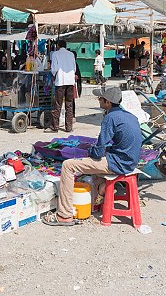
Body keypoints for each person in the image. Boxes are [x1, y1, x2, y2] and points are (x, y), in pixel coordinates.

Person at [42, 87, 143, 226]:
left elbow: (98, 151)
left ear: (107, 102)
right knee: (93, 164)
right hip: (130, 161)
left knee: (68, 166)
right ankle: (101, 191)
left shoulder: (110, 118)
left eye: (100, 98)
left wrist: (90, 151)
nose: (98, 100)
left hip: (119, 163)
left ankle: (64, 215)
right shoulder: (130, 115)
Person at [50, 40, 76, 133]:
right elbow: (74, 68)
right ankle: (69, 127)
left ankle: (55, 126)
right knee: (69, 104)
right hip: (70, 81)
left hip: (60, 81)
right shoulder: (71, 54)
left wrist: (53, 74)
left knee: (58, 104)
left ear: (58, 45)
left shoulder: (55, 54)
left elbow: (54, 69)